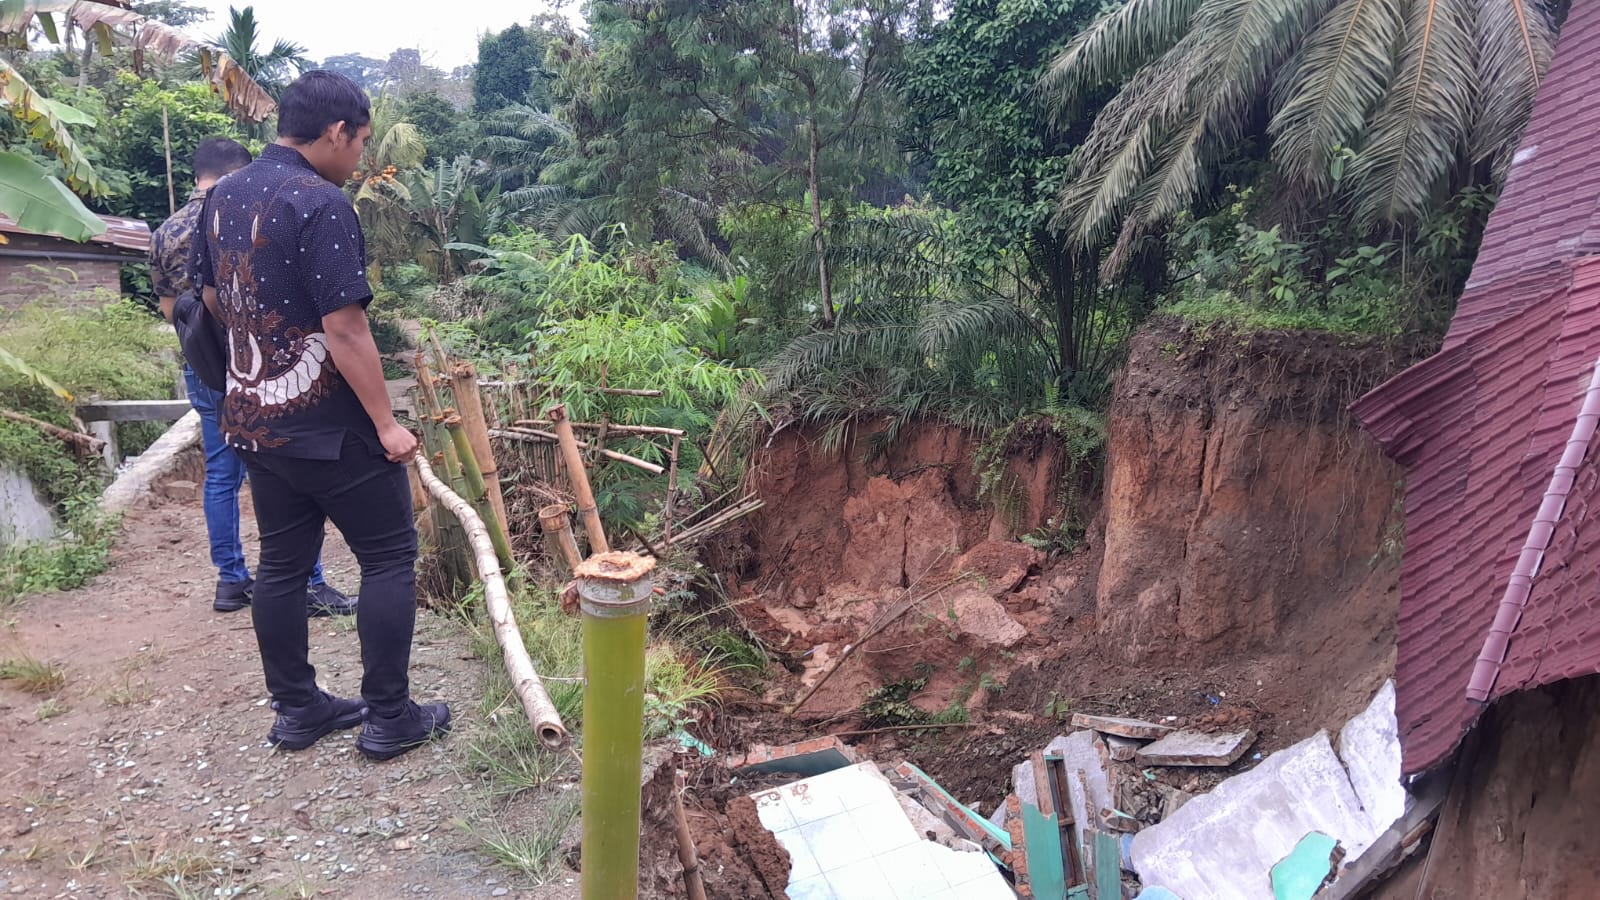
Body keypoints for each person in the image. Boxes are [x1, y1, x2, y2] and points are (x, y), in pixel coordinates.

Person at [189, 72, 449, 759]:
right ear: (336, 132)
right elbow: (345, 328)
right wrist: (388, 425)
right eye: (360, 142)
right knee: (389, 556)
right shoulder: (319, 202)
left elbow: (212, 300)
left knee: (279, 565)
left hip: (252, 419)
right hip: (330, 430)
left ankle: (298, 710)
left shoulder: (222, 197)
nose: (359, 157)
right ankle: (390, 718)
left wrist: (260, 354)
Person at [150, 137, 358, 618]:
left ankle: (231, 581)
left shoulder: (163, 232)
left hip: (202, 364)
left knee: (221, 476)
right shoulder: (246, 211)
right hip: (263, 363)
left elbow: (171, 311)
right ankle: (307, 581)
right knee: (291, 467)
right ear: (239, 172)